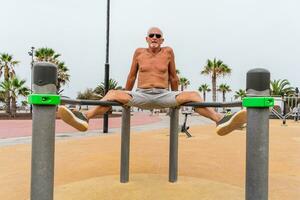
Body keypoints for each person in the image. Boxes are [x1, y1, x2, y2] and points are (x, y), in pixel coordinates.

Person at [58, 27, 247, 135]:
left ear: (162, 39)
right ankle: (84, 118)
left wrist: (176, 99)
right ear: (146, 38)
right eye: (151, 35)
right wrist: (126, 95)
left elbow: (173, 76)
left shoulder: (168, 52)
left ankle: (220, 121)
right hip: (140, 94)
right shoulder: (139, 52)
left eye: (158, 36)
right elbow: (132, 75)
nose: (154, 38)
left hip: (164, 95)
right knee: (112, 94)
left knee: (194, 95)